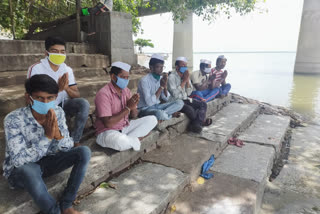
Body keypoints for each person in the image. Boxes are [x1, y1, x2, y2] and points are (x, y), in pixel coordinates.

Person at [3, 74, 91, 214]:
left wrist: (59, 136)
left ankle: (67, 205)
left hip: (47, 163)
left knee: (83, 151)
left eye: (50, 98)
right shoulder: (13, 119)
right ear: (28, 97)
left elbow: (67, 146)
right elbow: (19, 161)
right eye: (39, 98)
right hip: (20, 173)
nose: (45, 102)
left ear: (56, 97)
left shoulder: (58, 112)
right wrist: (47, 137)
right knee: (29, 170)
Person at [27, 36, 90, 147]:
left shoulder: (67, 69)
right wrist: (58, 89)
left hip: (63, 105)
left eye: (62, 52)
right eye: (55, 51)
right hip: (44, 107)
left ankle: (76, 140)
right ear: (46, 53)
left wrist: (66, 88)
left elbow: (76, 94)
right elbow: (32, 97)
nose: (59, 55)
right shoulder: (37, 68)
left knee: (83, 103)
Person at [95, 61, 158, 151]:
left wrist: (133, 106)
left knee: (153, 119)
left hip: (124, 128)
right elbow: (108, 123)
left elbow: (134, 115)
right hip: (108, 132)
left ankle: (130, 140)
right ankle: (138, 139)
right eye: (123, 77)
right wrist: (127, 108)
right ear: (113, 77)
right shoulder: (103, 94)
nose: (125, 80)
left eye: (127, 77)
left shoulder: (126, 91)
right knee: (120, 142)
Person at [167, 57, 211, 133]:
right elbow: (175, 94)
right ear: (177, 67)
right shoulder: (171, 77)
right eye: (183, 65)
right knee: (191, 110)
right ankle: (199, 123)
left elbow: (189, 93)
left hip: (186, 99)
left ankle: (196, 124)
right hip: (176, 102)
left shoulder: (185, 75)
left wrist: (187, 81)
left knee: (203, 104)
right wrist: (183, 81)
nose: (185, 68)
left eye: (186, 66)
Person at [137, 54, 184, 121]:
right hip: (145, 109)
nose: (161, 70)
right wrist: (161, 87)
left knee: (180, 102)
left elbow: (167, 98)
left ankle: (165, 114)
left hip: (158, 106)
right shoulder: (144, 81)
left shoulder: (161, 79)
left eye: (162, 67)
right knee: (159, 113)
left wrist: (164, 87)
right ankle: (169, 115)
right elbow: (149, 103)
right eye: (158, 67)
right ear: (151, 67)